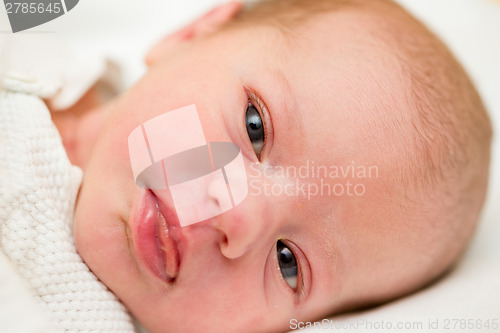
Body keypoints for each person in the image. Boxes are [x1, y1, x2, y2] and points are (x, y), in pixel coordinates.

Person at [6, 0, 494, 332]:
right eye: (255, 126)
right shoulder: (30, 38)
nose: (237, 217)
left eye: (288, 264)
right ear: (191, 35)